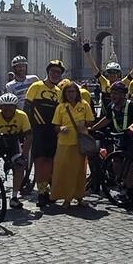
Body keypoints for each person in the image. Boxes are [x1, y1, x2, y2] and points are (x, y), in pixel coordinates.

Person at [24, 60, 67, 207]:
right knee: (40, 161)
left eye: (58, 72)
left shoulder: (59, 92)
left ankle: (47, 190)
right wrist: (27, 129)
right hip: (38, 130)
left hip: (52, 131)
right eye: (53, 71)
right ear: (48, 72)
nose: (55, 74)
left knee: (50, 161)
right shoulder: (36, 86)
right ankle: (41, 193)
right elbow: (27, 108)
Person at [0, 93, 32, 208]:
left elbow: (29, 137)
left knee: (20, 165)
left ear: (15, 107)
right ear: (0, 107)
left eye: (11, 106)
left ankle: (14, 196)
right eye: (4, 106)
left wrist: (24, 155)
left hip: (13, 144)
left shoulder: (22, 116)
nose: (7, 109)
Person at [52, 80, 94, 209]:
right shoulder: (61, 107)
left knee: (80, 171)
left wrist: (84, 123)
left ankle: (79, 196)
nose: (71, 94)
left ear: (77, 93)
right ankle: (66, 198)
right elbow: (55, 126)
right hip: (64, 143)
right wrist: (61, 128)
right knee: (64, 171)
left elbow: (91, 122)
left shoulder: (84, 104)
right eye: (68, 92)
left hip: (80, 143)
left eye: (73, 92)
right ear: (64, 93)